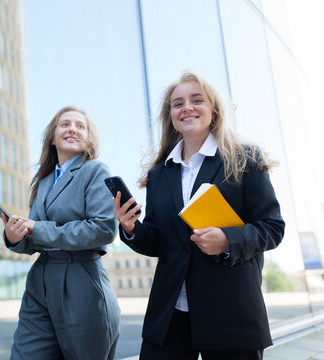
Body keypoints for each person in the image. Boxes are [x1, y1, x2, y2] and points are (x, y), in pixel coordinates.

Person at [113, 71, 285, 360]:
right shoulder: (159, 173)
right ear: (171, 115)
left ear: (214, 111)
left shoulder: (245, 158)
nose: (187, 108)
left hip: (230, 311)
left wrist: (228, 239)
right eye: (178, 103)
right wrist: (131, 228)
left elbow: (272, 227)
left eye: (197, 100)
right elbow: (158, 241)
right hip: (170, 314)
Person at [1, 106, 120, 359]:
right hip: (41, 281)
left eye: (80, 126)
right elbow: (35, 237)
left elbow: (103, 228)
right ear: (52, 138)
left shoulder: (95, 171)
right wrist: (14, 237)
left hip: (81, 279)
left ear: (88, 138)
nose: (72, 129)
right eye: (65, 124)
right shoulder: (43, 181)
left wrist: (37, 228)